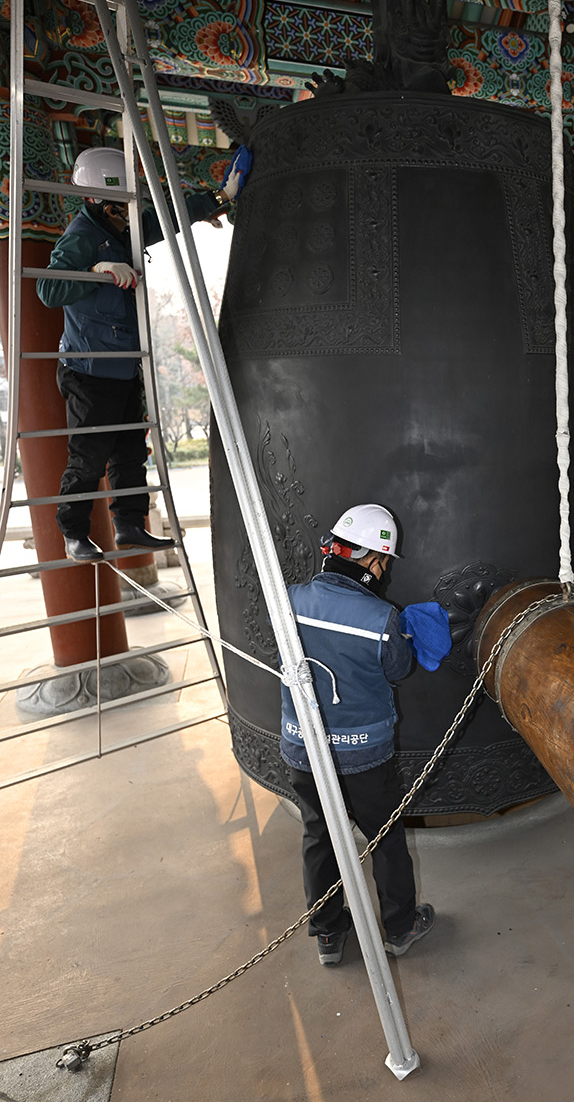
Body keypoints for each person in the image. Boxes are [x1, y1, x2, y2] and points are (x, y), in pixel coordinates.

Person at [35, 146, 242, 563]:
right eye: (122, 201)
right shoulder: (83, 236)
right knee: (89, 456)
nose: (131, 209)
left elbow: (165, 219)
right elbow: (49, 289)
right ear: (99, 200)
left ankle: (129, 524)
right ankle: (73, 533)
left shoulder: (122, 226)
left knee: (131, 451)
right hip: (90, 368)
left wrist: (218, 199)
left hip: (126, 364)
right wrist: (96, 271)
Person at [278, 503, 434, 967]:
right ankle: (400, 927)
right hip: (363, 756)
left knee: (319, 835)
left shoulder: (287, 599)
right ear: (373, 561)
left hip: (303, 748)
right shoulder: (381, 619)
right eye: (384, 562)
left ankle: (328, 933)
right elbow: (399, 669)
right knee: (384, 838)